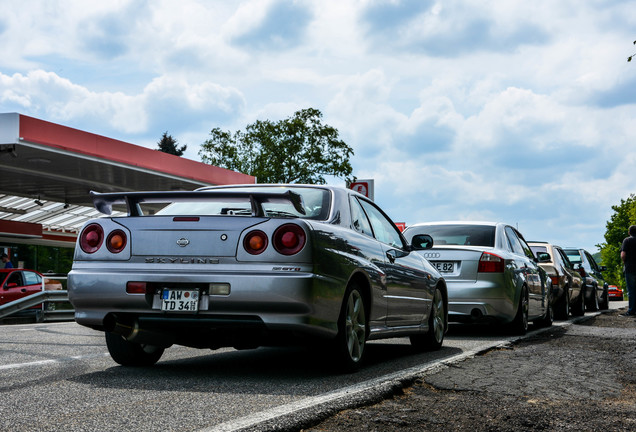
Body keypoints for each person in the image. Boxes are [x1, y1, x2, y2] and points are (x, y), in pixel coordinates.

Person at [620, 225, 636, 316]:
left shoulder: (627, 240)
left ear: (629, 232)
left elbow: (623, 255)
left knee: (632, 290)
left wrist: (625, 262)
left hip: (630, 268)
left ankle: (631, 310)